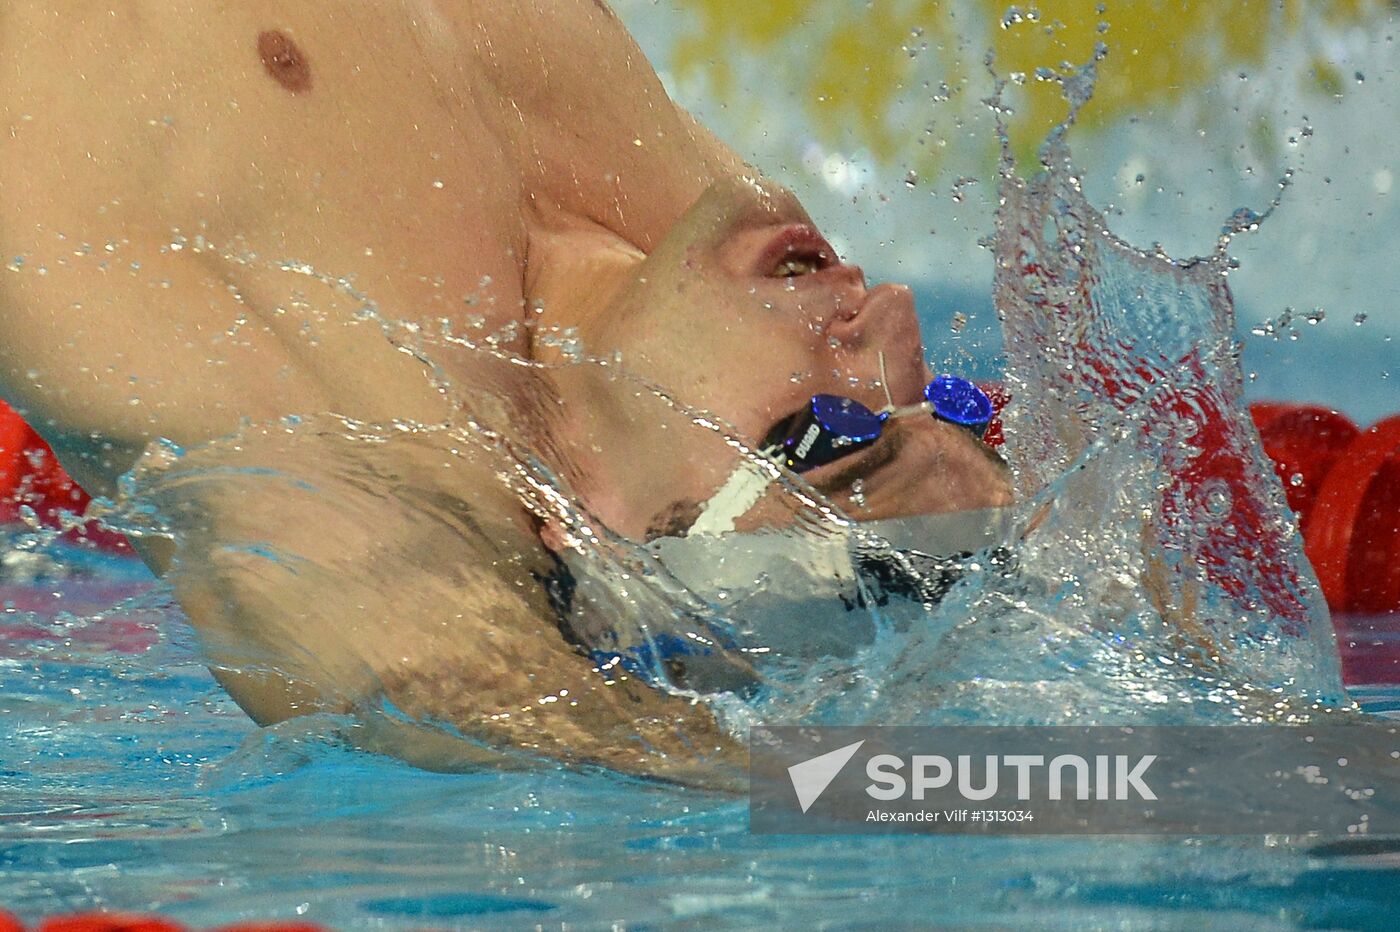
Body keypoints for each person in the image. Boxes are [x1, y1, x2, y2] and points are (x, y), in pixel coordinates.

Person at [0, 1, 1011, 779]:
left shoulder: (333, 416)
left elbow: (446, 681)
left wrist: (1101, 797)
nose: (886, 330)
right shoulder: (671, 218)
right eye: (937, 402)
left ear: (590, 526)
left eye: (833, 431)